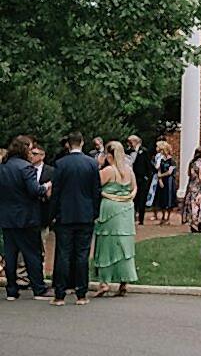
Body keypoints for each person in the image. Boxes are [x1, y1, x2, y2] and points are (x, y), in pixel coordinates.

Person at [51, 130, 101, 306]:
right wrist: (95, 213)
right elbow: (96, 192)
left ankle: (59, 294)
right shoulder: (92, 164)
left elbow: (55, 192)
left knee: (63, 254)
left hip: (65, 214)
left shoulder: (60, 164)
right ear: (82, 143)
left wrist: (53, 215)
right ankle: (81, 293)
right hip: (85, 214)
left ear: (68, 144)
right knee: (82, 254)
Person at [0, 136, 53, 301]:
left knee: (10, 254)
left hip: (7, 217)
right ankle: (38, 288)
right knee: (32, 253)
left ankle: (11, 289)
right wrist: (47, 186)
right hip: (27, 217)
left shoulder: (3, 167)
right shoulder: (26, 168)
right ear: (24, 149)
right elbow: (34, 190)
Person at [93, 141, 138, 297]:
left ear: (109, 155)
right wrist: (128, 198)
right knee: (124, 244)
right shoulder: (129, 171)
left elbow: (94, 186)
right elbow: (134, 188)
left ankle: (104, 282)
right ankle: (123, 281)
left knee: (107, 244)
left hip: (110, 207)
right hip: (126, 209)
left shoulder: (108, 171)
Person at [126, 135, 153, 226]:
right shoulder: (127, 152)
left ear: (136, 142)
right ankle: (131, 217)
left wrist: (147, 178)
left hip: (142, 179)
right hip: (130, 178)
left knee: (142, 199)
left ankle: (141, 219)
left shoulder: (144, 151)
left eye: (131, 142)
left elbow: (149, 166)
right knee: (133, 199)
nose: (129, 144)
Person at [182, 146, 201, 232]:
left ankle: (192, 223)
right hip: (198, 187)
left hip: (191, 185)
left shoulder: (192, 163)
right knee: (198, 205)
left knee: (191, 204)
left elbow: (189, 174)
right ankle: (196, 223)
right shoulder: (200, 164)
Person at [154, 141, 177, 225]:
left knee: (169, 198)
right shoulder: (161, 160)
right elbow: (159, 170)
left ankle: (168, 217)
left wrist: (161, 176)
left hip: (169, 181)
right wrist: (160, 180)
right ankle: (163, 216)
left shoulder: (172, 160)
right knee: (162, 198)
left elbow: (170, 172)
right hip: (162, 181)